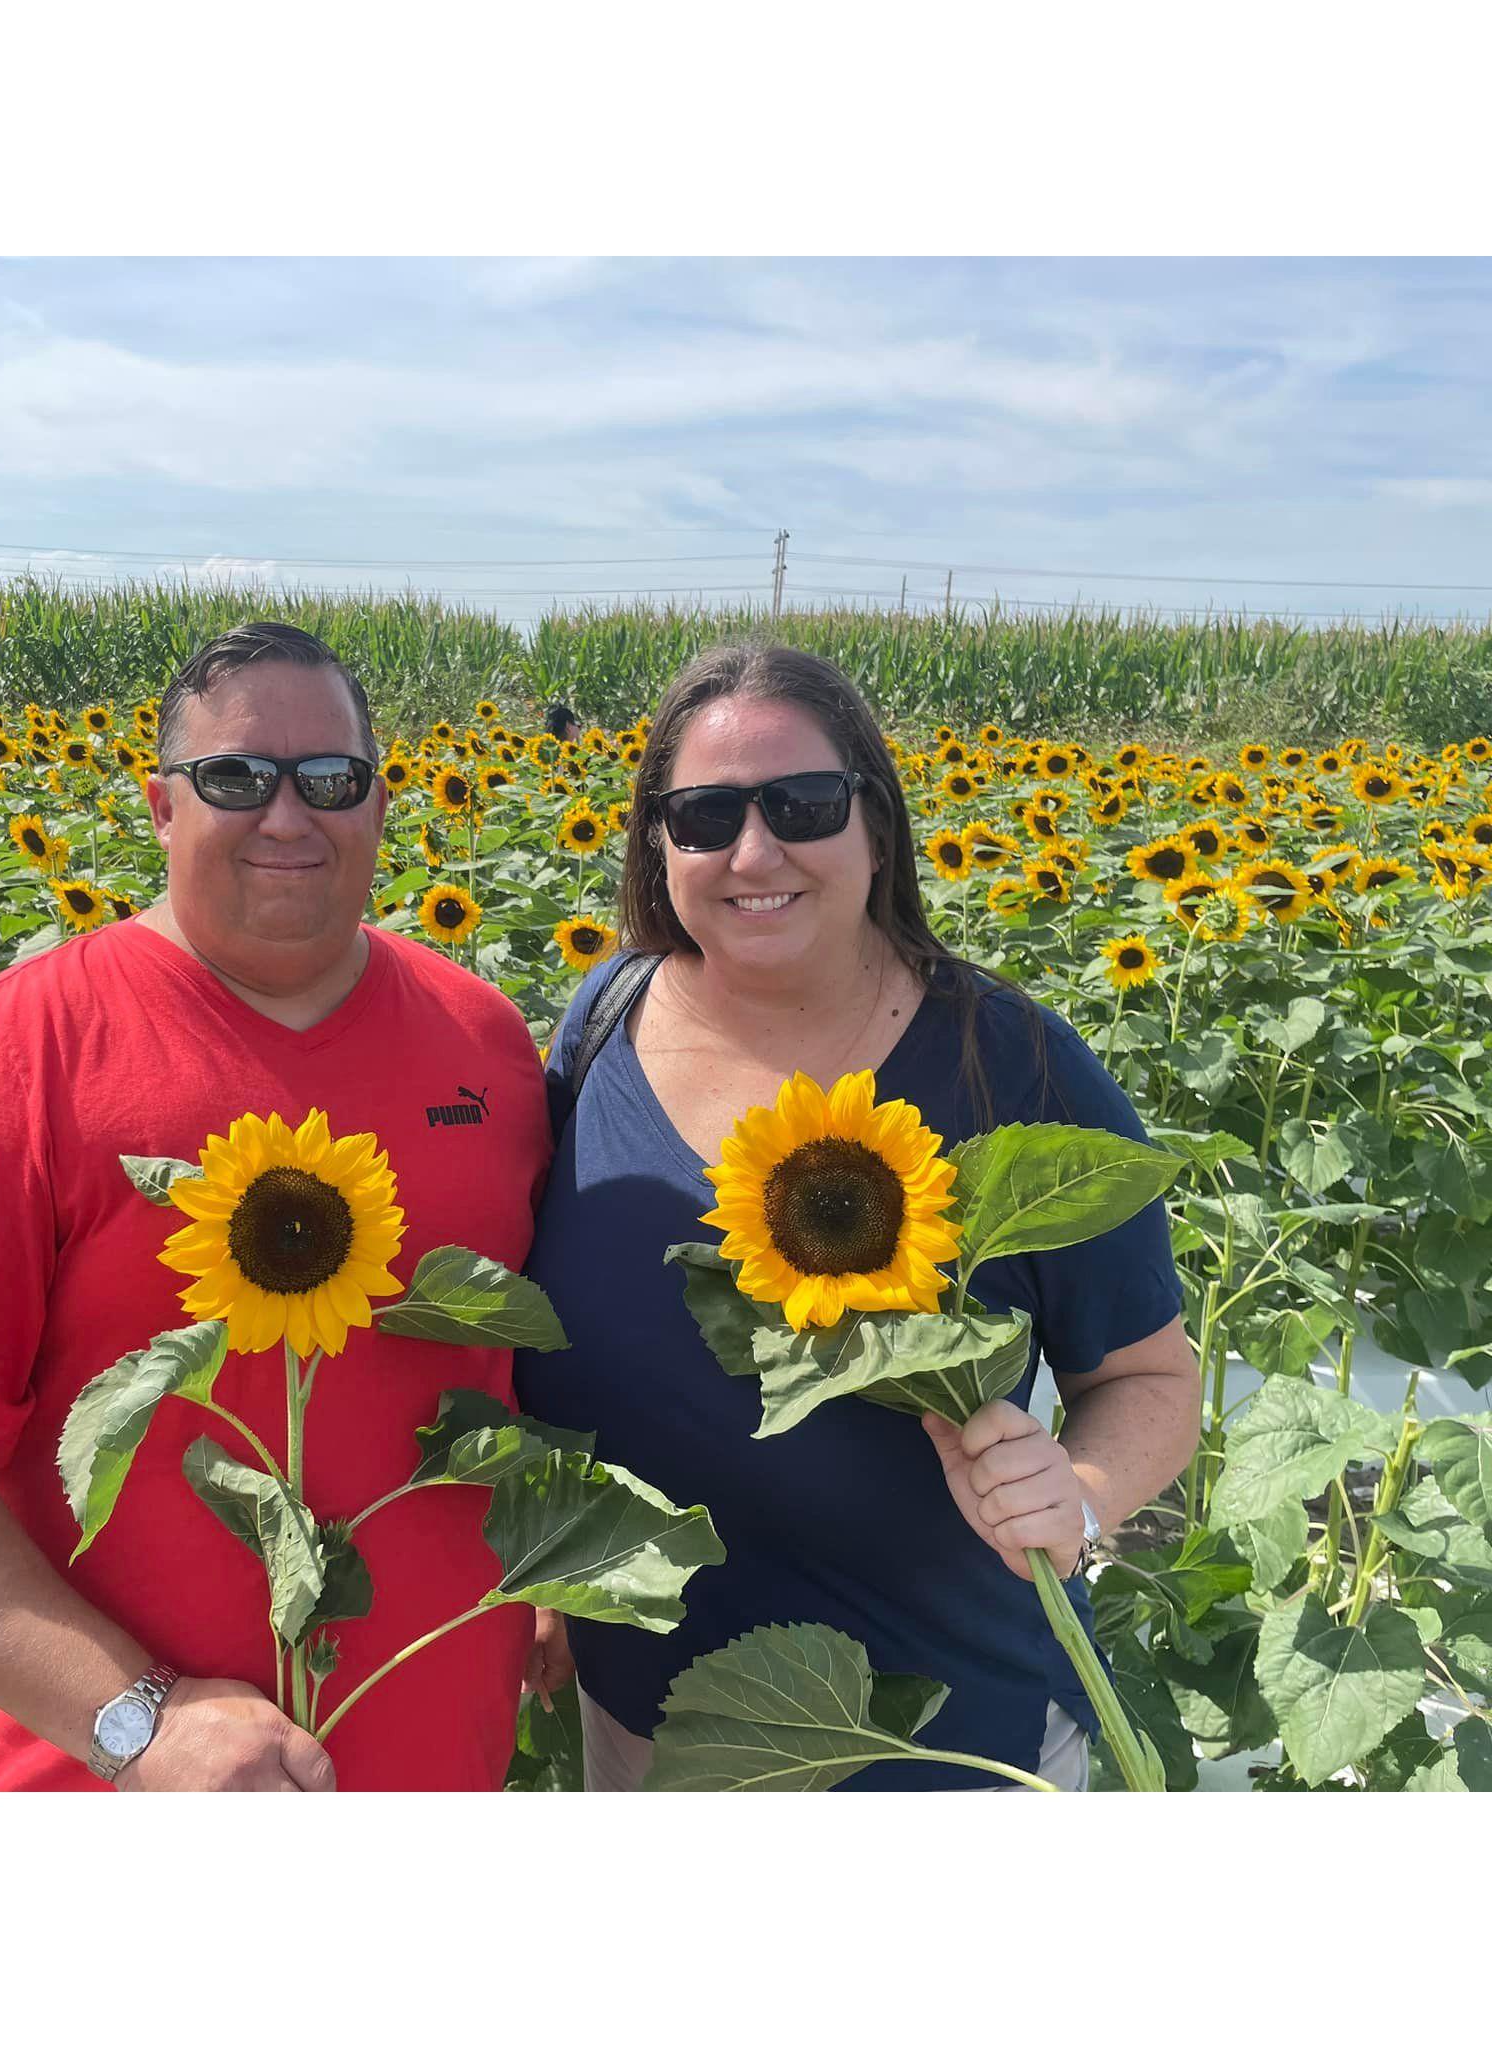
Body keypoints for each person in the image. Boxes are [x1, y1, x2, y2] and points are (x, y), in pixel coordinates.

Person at [0, 621, 553, 1791]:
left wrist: (550, 1566)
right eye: (235, 777)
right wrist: (139, 1720)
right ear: (159, 806)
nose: (286, 817)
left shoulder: (483, 1041)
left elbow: (522, 1370)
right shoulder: (16, 1053)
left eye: (328, 780)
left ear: (379, 805)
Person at [513, 642, 1200, 1791]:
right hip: (646, 1731)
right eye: (703, 814)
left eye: (802, 803)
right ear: (654, 842)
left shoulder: (1009, 1066)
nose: (752, 849)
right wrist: (546, 1566)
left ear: (874, 824)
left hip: (940, 1738)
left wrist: (1076, 1493)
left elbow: (1149, 1379)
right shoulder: (599, 1021)